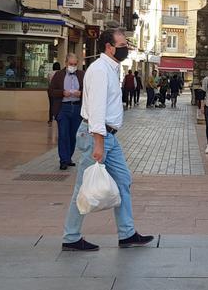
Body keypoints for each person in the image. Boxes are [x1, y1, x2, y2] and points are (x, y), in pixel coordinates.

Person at [62, 28, 154, 251]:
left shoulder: (111, 68)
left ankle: (127, 234)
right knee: (83, 187)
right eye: (122, 45)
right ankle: (71, 237)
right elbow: (96, 109)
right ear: (109, 47)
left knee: (123, 180)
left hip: (109, 136)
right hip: (98, 135)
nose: (126, 48)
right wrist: (99, 143)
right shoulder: (100, 70)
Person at [48, 54, 84, 171]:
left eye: (75, 64)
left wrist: (81, 93)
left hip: (77, 108)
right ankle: (63, 160)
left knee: (73, 136)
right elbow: (51, 91)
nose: (72, 66)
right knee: (63, 135)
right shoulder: (59, 75)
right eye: (70, 64)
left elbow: (89, 91)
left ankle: (68, 158)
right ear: (66, 63)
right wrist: (62, 93)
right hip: (63, 108)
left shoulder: (82, 75)